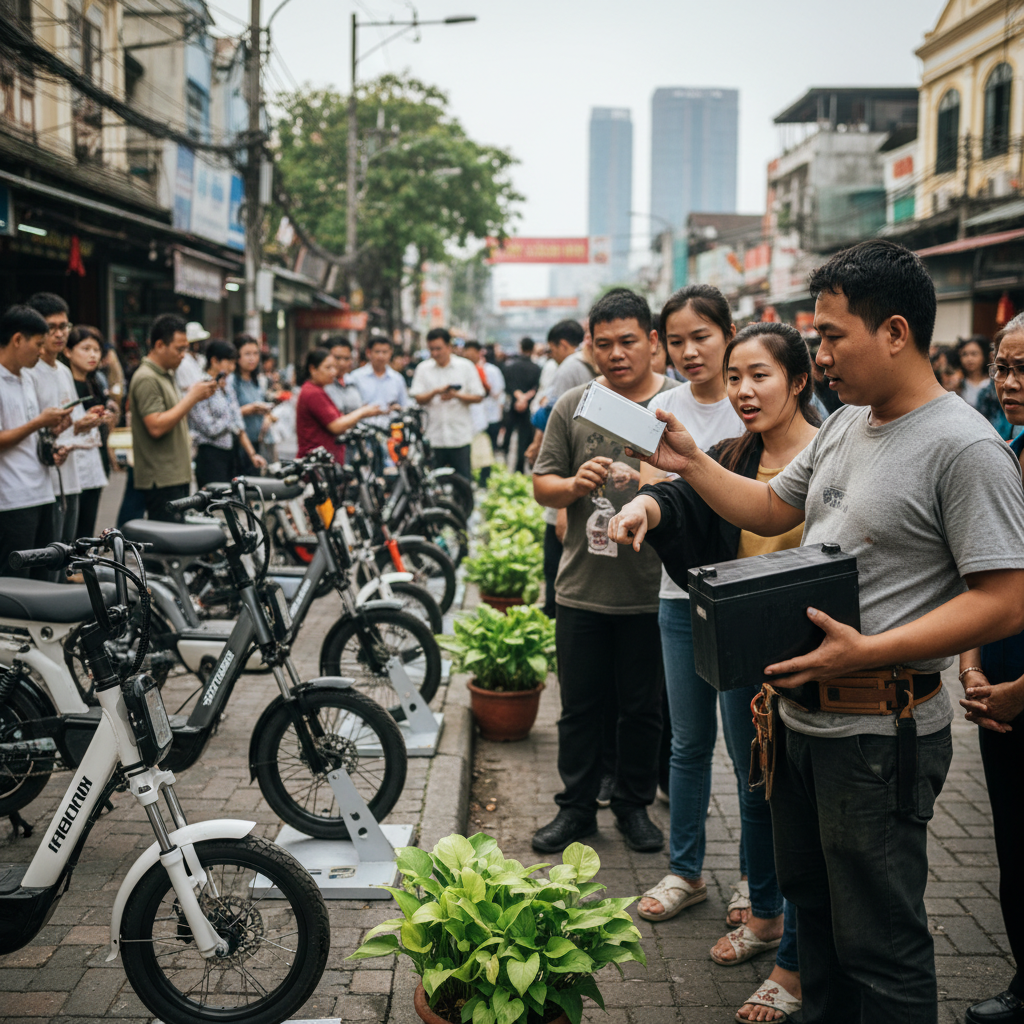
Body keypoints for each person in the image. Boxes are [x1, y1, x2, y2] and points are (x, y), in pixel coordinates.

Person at [607, 239, 1024, 1024]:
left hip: (879, 734)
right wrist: (690, 462)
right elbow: (770, 510)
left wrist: (871, 650)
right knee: (821, 930)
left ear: (895, 331)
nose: (820, 352)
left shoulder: (963, 446)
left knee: (883, 949)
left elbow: (1007, 597)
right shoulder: (847, 426)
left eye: (831, 335)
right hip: (803, 722)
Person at [621, 316, 814, 1024]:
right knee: (758, 785)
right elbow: (681, 498)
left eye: (758, 375)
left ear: (799, 380)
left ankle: (795, 952)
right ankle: (765, 916)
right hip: (742, 653)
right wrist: (644, 503)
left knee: (792, 804)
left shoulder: (828, 456)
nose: (742, 389)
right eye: (735, 378)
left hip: (813, 665)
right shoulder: (733, 452)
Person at [531, 288, 678, 855]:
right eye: (605, 343)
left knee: (643, 710)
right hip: (581, 589)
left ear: (652, 343)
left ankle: (633, 808)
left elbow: (699, 486)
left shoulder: (675, 405)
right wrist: (575, 485)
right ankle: (575, 809)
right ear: (591, 347)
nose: (617, 353)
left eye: (629, 342)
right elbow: (544, 481)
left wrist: (646, 481)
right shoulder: (574, 404)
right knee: (579, 707)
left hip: (652, 592)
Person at [958, 313, 1024, 1024]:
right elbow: (983, 577)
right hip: (997, 696)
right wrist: (973, 665)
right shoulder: (1005, 454)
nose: (1009, 382)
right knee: (1012, 846)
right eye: (1004, 368)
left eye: (1023, 369)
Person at [0, 305, 70, 578]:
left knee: (44, 576)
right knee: (15, 581)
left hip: (41, 491)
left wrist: (50, 433)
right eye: (38, 344)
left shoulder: (27, 377)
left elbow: (30, 433)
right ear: (17, 339)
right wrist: (38, 423)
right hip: (12, 499)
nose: (42, 352)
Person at [128, 314, 219, 521]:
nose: (183, 355)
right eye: (179, 349)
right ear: (159, 345)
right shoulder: (146, 377)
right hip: (161, 479)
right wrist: (192, 397)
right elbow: (156, 426)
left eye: (185, 349)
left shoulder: (166, 373)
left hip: (173, 476)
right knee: (167, 544)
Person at [24, 293, 91, 560]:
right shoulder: (28, 371)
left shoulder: (63, 370)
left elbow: (65, 422)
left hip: (70, 476)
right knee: (48, 556)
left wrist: (83, 423)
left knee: (67, 552)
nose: (60, 333)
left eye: (64, 326)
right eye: (51, 327)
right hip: (42, 479)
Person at [188, 339, 266, 487]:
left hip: (230, 453)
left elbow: (239, 425)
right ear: (214, 361)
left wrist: (252, 454)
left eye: (233, 363)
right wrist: (231, 418)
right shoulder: (201, 386)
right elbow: (210, 428)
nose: (231, 367)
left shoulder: (226, 386)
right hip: (210, 455)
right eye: (228, 362)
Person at [409, 328, 484, 480]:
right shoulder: (423, 368)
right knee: (434, 483)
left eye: (438, 349)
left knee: (463, 482)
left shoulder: (466, 367)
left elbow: (478, 396)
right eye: (431, 349)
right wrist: (435, 392)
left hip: (460, 436)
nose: (435, 353)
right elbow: (418, 397)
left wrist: (456, 395)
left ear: (449, 347)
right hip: (434, 437)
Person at [64, 326, 117, 537]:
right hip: (72, 462)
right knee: (71, 530)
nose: (93, 355)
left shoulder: (95, 382)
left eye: (96, 350)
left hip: (95, 460)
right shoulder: (64, 382)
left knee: (87, 527)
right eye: (86, 348)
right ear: (68, 351)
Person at [295, 347, 383, 462]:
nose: (333, 372)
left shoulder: (318, 390)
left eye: (334, 368)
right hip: (317, 462)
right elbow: (336, 426)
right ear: (313, 369)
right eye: (328, 368)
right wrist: (363, 412)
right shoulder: (313, 393)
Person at [229, 334, 275, 470]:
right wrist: (249, 409)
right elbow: (228, 415)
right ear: (237, 357)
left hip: (257, 441)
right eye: (247, 354)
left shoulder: (257, 381)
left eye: (255, 353)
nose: (252, 358)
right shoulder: (232, 381)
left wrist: (267, 416)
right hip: (239, 445)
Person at [462, 339, 504, 485]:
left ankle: (484, 480)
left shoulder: (490, 370)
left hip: (488, 416)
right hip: (468, 418)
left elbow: (496, 392)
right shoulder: (462, 370)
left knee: (486, 451)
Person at [501, 337, 543, 472]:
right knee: (524, 438)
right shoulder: (537, 368)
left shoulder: (510, 366)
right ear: (532, 350)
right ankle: (520, 468)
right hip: (527, 407)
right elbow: (536, 388)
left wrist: (518, 397)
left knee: (507, 435)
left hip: (513, 406)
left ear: (520, 348)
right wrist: (525, 398)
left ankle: (504, 465)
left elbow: (507, 385)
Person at [350, 334, 410, 428]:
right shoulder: (356, 377)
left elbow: (404, 406)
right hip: (363, 430)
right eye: (377, 352)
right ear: (368, 353)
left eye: (385, 352)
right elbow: (351, 408)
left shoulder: (397, 379)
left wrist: (397, 409)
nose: (381, 356)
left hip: (391, 431)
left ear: (390, 353)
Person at [957, 334, 991, 408]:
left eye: (974, 354)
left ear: (984, 356)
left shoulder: (991, 383)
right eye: (964, 354)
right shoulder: (958, 383)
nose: (969, 359)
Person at [176, 321, 209, 390]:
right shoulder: (183, 361)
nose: (200, 345)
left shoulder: (201, 359)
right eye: (199, 342)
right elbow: (183, 386)